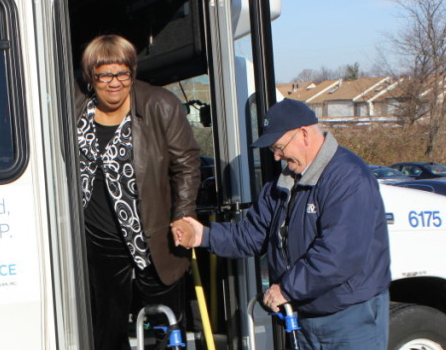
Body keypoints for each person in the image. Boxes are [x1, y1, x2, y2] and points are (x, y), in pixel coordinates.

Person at [172, 98, 391, 350]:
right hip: (304, 315)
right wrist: (203, 235)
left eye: (279, 146)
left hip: (349, 317)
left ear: (304, 134)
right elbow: (252, 234)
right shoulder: (284, 183)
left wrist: (287, 289)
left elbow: (338, 255)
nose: (276, 157)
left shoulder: (348, 178)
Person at [75, 34, 201, 350]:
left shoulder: (160, 104)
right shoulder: (76, 108)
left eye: (123, 73)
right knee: (105, 328)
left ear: (132, 71)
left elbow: (186, 164)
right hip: (98, 239)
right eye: (105, 74)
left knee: (165, 326)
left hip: (153, 235)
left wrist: (184, 216)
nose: (115, 82)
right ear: (91, 75)